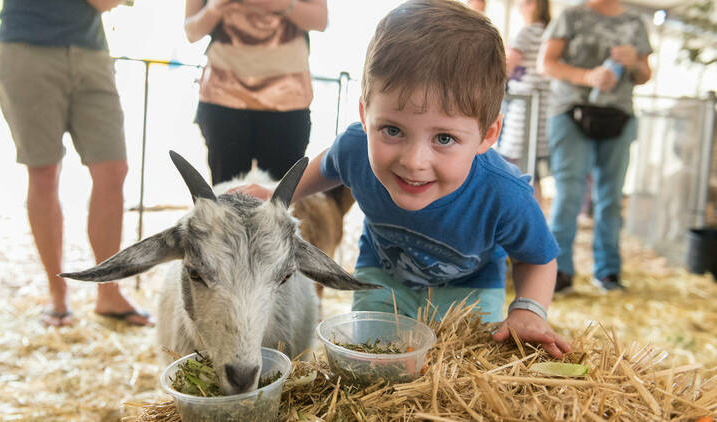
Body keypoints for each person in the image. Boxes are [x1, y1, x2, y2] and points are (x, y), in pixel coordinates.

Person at [235, 0, 571, 358]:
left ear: (488, 136)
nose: (413, 161)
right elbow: (327, 167)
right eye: (392, 130)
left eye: (444, 138)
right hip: (383, 276)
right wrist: (278, 196)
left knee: (463, 369)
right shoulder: (354, 146)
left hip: (469, 291)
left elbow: (537, 258)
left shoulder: (504, 194)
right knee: (374, 362)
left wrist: (528, 310)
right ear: (365, 115)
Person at [0, 0, 151, 327]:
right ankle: (58, 293)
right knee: (43, 173)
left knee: (113, 169)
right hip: (27, 48)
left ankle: (108, 291)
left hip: (91, 51)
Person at [539, 0, 652, 294]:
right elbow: (546, 63)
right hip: (572, 111)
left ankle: (608, 272)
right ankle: (558, 271)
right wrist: (587, 76)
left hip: (619, 116)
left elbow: (645, 75)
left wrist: (635, 63)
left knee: (611, 197)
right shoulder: (571, 15)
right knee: (569, 193)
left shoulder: (636, 22)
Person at [184, 0, 328, 185]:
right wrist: (216, 7)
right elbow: (191, 32)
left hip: (288, 100)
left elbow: (320, 20)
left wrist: (281, 4)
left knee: (279, 199)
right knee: (227, 197)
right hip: (223, 97)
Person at [495, 0, 551, 206]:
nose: (520, 6)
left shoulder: (527, 33)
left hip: (524, 110)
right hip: (544, 107)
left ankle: (522, 215)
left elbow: (506, 66)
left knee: (517, 168)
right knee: (532, 170)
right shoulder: (549, 32)